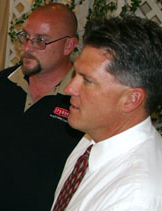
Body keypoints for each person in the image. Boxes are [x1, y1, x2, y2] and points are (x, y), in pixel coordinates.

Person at [0, 3, 84, 211]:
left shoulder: (84, 98)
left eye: (41, 40)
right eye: (25, 36)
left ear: (69, 46)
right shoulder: (2, 83)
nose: (26, 48)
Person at [51, 16, 162, 210]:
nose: (69, 88)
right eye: (75, 74)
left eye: (87, 80)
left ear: (131, 99)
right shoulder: (92, 138)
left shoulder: (135, 197)